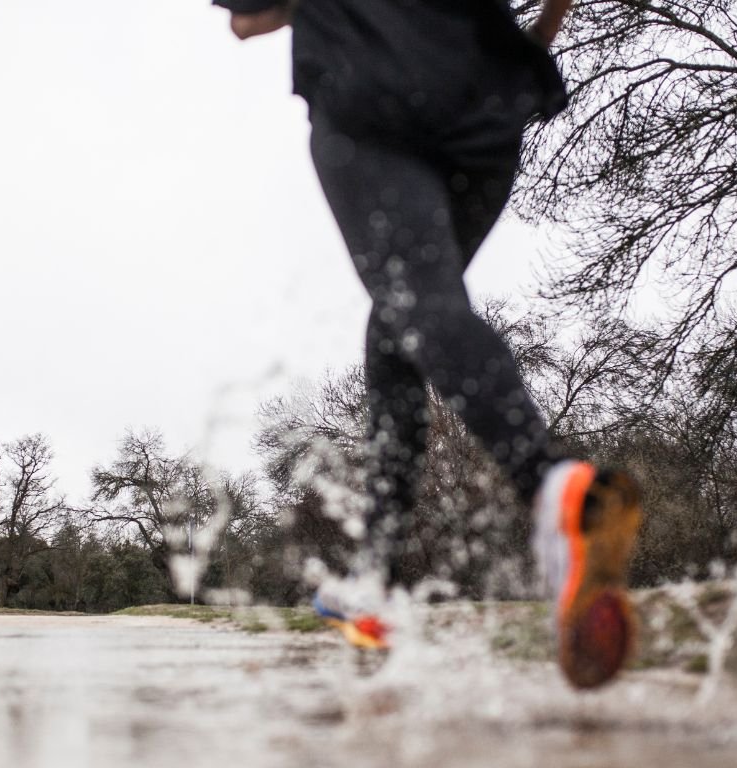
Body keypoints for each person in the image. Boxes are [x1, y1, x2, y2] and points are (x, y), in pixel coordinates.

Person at [214, 0, 641, 689]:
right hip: (486, 107)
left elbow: (248, 19)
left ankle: (555, 486)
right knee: (399, 324)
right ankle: (374, 578)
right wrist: (530, 44)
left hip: (373, 90)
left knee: (417, 303)